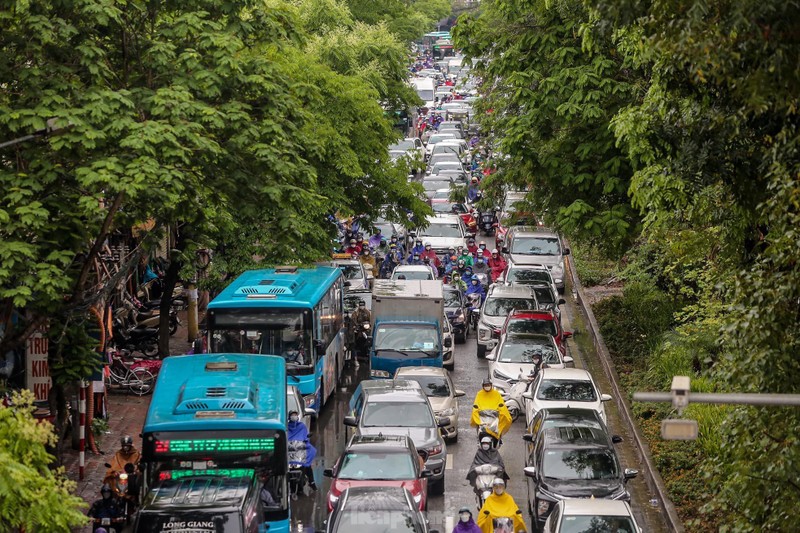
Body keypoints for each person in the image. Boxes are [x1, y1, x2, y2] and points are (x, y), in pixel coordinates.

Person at [471, 378, 512, 444]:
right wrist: (476, 410)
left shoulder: (496, 394)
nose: (487, 386)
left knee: (503, 421)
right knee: (478, 425)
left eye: (488, 385)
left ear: (491, 385)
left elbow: (501, 404)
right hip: (483, 417)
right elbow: (476, 405)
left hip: (494, 417)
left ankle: (499, 437)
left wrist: (502, 409)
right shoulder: (479, 394)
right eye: (485, 385)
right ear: (483, 386)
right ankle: (479, 439)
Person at [287, 410, 317, 491]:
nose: (294, 416)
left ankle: (312, 482)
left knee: (307, 464)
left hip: (300, 450)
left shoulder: (302, 426)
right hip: (289, 451)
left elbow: (305, 437)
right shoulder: (286, 427)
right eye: (292, 415)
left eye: (295, 415)